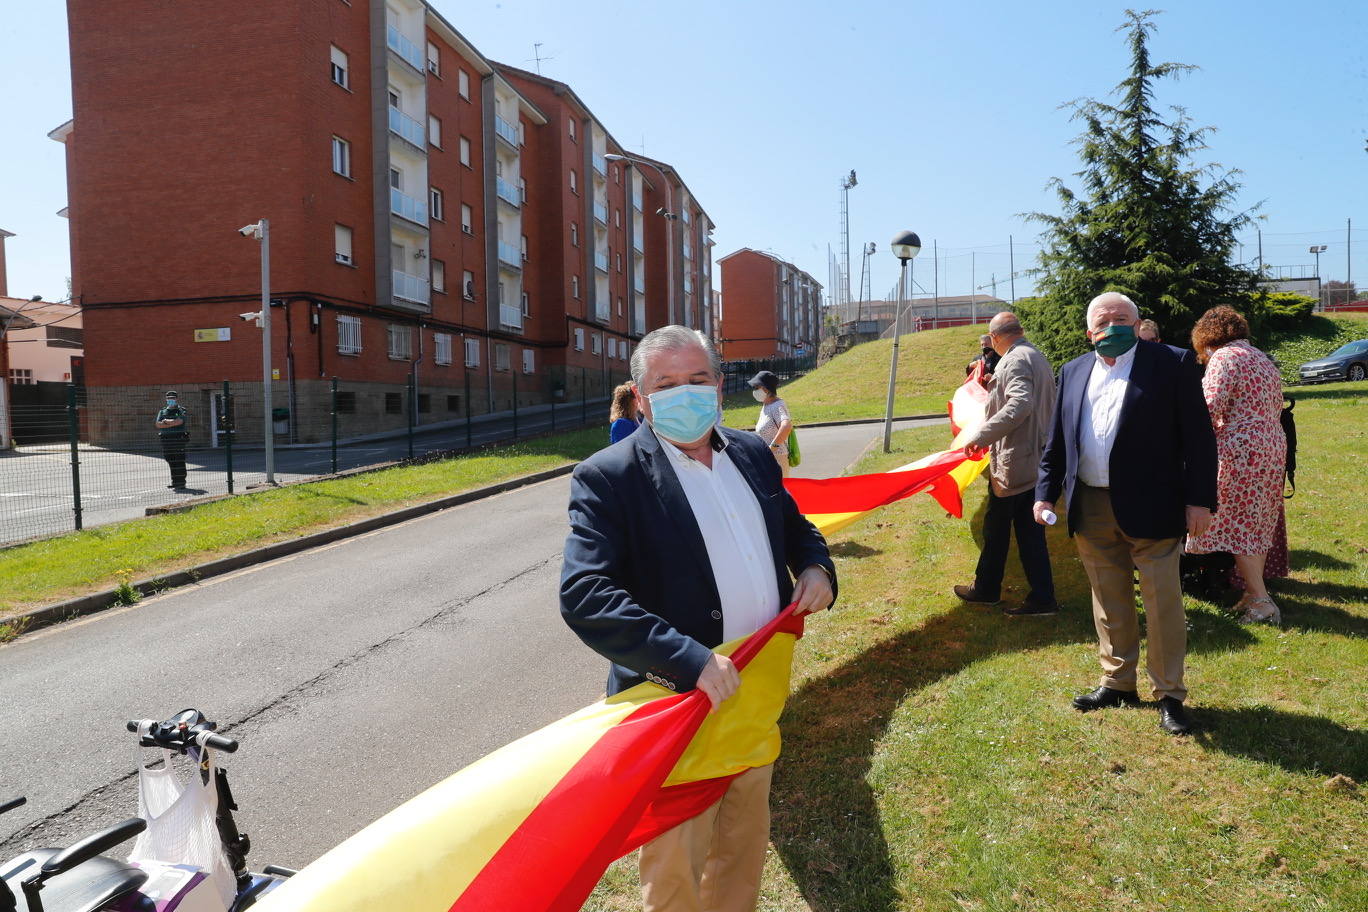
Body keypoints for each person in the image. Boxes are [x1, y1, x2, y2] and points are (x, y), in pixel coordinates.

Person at [560, 326, 836, 912]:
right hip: (676, 710)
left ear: (718, 385)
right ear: (640, 395)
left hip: (755, 700)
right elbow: (585, 593)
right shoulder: (609, 476)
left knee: (741, 853)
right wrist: (687, 658)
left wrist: (815, 568)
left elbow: (794, 529)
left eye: (697, 379)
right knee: (677, 873)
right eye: (665, 383)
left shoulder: (754, 454)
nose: (684, 393)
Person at [1034, 292, 1217, 736]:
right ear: (1089, 330)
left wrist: (1200, 501)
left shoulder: (1171, 363)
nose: (1113, 325)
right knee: (1107, 596)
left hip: (1154, 502)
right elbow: (1058, 441)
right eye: (1104, 319)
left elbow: (1199, 438)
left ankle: (1170, 693)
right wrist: (1044, 493)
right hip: (1091, 504)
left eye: (1122, 318)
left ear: (1137, 326)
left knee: (1162, 601)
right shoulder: (1073, 370)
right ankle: (1118, 682)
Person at [1185, 306, 1287, 624]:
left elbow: (1208, 407)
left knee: (1240, 525)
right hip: (1271, 444)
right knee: (1255, 524)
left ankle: (1260, 601)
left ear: (1205, 337)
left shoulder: (1225, 358)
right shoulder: (1258, 356)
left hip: (1242, 449)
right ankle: (1253, 594)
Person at [954, 312, 1059, 616]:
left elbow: (1020, 404)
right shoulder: (1034, 355)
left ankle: (1028, 596)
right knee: (1013, 529)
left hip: (1018, 461)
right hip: (1032, 456)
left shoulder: (1014, 360)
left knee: (1010, 530)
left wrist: (981, 435)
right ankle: (1004, 590)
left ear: (996, 338)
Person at [748, 369, 792, 477]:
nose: (754, 391)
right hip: (769, 460)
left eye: (756, 387)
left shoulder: (777, 406)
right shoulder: (766, 405)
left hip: (777, 460)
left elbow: (786, 426)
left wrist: (772, 448)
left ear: (765, 389)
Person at [155, 390, 190, 490]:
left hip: (178, 438)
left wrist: (166, 422)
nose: (171, 400)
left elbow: (179, 421)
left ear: (176, 399)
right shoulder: (162, 411)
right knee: (170, 459)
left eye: (173, 398)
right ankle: (175, 482)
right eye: (169, 398)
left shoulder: (181, 410)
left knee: (179, 460)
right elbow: (157, 424)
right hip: (166, 439)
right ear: (166, 399)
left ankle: (181, 482)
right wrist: (171, 422)